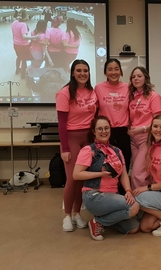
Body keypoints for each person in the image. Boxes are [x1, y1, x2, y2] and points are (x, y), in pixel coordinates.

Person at [73, 115, 140, 241]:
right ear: (94, 131)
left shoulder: (117, 151)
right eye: (100, 129)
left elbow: (124, 174)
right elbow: (76, 174)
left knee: (133, 228)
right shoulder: (88, 150)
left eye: (106, 128)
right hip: (94, 195)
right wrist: (100, 174)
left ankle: (105, 219)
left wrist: (128, 191)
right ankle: (98, 222)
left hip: (112, 196)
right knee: (133, 206)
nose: (104, 131)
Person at [56, 59, 98, 232]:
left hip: (88, 139)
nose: (82, 73)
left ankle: (76, 214)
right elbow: (61, 123)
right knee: (72, 179)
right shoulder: (65, 93)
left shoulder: (92, 92)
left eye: (85, 70)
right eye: (79, 70)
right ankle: (66, 215)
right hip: (72, 138)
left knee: (83, 179)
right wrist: (65, 149)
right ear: (73, 73)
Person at [95, 59, 131, 192]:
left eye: (116, 69)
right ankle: (107, 196)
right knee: (106, 167)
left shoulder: (128, 87)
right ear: (105, 72)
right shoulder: (99, 88)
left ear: (121, 71)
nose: (113, 72)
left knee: (123, 165)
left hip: (123, 132)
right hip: (105, 133)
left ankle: (123, 197)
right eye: (110, 69)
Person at [127, 67, 161, 189]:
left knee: (137, 174)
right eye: (133, 76)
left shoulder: (154, 96)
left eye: (139, 76)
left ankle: (141, 202)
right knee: (144, 172)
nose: (136, 78)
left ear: (146, 78)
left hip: (146, 138)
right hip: (133, 140)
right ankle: (144, 200)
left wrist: (141, 129)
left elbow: (158, 121)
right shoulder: (132, 97)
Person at [11, 9, 38, 79]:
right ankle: (23, 74)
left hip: (16, 44)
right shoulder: (23, 25)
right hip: (23, 46)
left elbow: (13, 35)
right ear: (25, 16)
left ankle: (17, 69)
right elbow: (24, 37)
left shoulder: (14, 22)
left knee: (19, 57)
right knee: (24, 60)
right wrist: (34, 37)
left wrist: (14, 41)